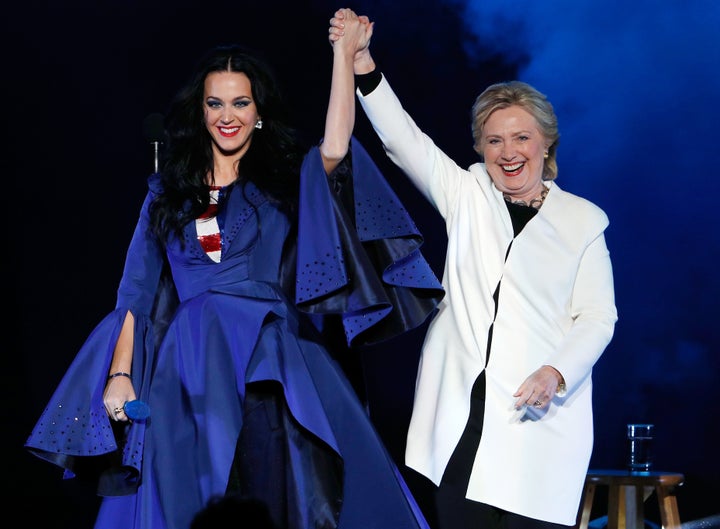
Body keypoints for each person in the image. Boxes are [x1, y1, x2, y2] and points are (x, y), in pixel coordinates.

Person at [25, 9, 443, 529]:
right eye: (216, 103)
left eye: (241, 103)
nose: (228, 115)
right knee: (191, 501)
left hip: (269, 360)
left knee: (276, 494)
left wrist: (343, 57)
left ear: (258, 111)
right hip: (187, 369)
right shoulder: (165, 193)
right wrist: (120, 375)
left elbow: (335, 146)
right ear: (201, 112)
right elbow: (134, 293)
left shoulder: (283, 181)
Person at [329, 9, 618, 529]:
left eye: (521, 138)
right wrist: (364, 63)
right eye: (494, 140)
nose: (508, 153)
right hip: (462, 419)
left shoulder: (582, 221)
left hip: (537, 422)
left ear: (546, 142)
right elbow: (404, 140)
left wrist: (557, 371)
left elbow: (598, 318)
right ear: (481, 148)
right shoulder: (468, 193)